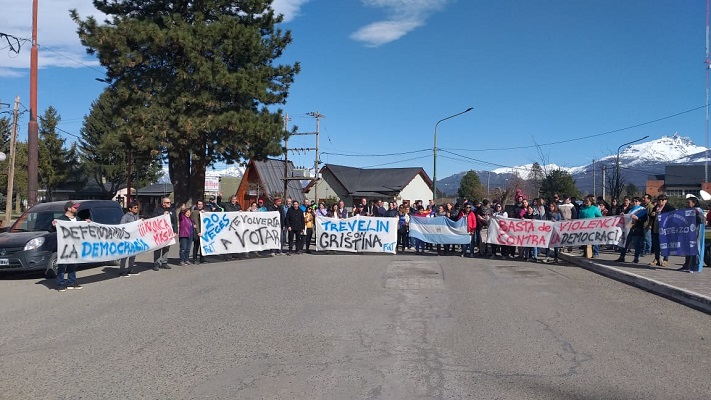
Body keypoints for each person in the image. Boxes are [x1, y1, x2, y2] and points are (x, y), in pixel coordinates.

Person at [51, 201, 88, 291]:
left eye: (76, 207)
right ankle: (60, 284)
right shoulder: (61, 219)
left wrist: (87, 223)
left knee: (73, 264)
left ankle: (71, 282)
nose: (76, 209)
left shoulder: (78, 219)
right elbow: (54, 229)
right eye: (75, 207)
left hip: (75, 246)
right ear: (69, 209)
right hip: (64, 246)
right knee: (62, 265)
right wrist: (53, 225)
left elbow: (83, 228)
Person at [615, 197, 647, 263]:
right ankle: (622, 257)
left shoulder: (643, 210)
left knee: (636, 244)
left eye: (636, 201)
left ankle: (636, 258)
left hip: (637, 228)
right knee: (625, 243)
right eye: (633, 201)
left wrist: (637, 218)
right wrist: (623, 215)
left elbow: (644, 220)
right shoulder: (630, 209)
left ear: (640, 202)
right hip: (628, 229)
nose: (634, 202)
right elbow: (626, 216)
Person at [679, 196, 704, 273]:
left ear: (694, 203)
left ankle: (694, 266)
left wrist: (696, 214)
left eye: (689, 202)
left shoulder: (698, 210)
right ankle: (687, 265)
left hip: (695, 233)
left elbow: (702, 220)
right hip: (688, 232)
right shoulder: (688, 210)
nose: (687, 204)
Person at [649, 194, 675, 267]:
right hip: (656, 228)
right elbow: (651, 217)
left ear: (666, 200)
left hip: (665, 229)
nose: (660, 202)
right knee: (656, 245)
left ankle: (665, 260)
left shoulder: (669, 208)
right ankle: (656, 259)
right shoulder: (655, 208)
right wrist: (652, 215)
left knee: (664, 244)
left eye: (662, 200)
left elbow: (673, 217)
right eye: (659, 200)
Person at [152, 197, 178, 270]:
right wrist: (162, 214)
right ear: (163, 203)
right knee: (158, 248)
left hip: (168, 232)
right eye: (168, 203)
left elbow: (175, 221)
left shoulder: (172, 210)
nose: (169, 204)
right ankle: (156, 263)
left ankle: (164, 262)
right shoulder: (157, 210)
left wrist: (175, 231)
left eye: (170, 202)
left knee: (166, 248)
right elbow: (154, 219)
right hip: (159, 233)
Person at [118, 201, 141, 277]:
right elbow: (121, 226)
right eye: (135, 208)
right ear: (130, 209)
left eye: (137, 207)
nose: (137, 209)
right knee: (125, 255)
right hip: (127, 239)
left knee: (133, 255)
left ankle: (130, 269)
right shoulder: (125, 217)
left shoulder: (137, 216)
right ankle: (122, 271)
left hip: (135, 239)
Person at [191, 200, 207, 264]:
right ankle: (194, 258)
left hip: (203, 231)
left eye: (201, 204)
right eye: (199, 204)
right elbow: (196, 223)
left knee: (203, 246)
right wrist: (198, 231)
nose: (200, 205)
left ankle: (202, 259)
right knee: (196, 246)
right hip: (197, 231)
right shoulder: (195, 212)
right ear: (197, 205)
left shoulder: (204, 212)